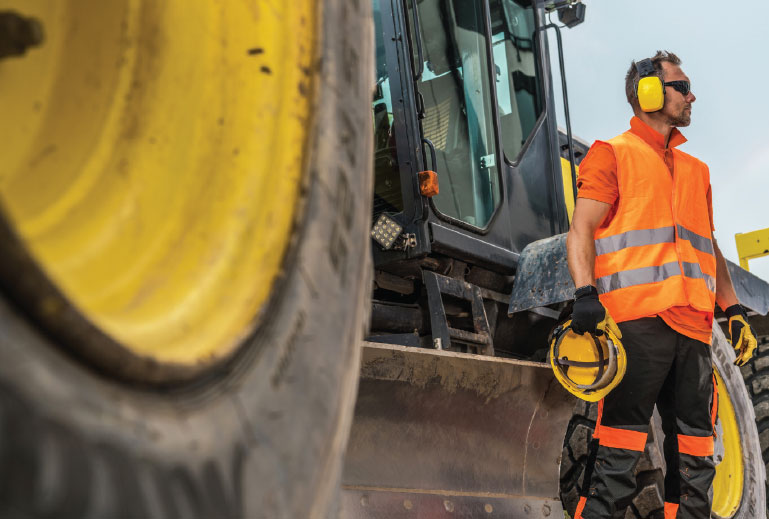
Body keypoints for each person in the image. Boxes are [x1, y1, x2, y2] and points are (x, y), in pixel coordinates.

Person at [565, 50, 758, 518]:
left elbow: (708, 250)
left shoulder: (698, 172)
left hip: (693, 333)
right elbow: (581, 229)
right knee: (617, 455)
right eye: (682, 85)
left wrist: (732, 311)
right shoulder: (611, 154)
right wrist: (585, 293)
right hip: (637, 328)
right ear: (648, 92)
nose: (692, 95)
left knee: (696, 458)